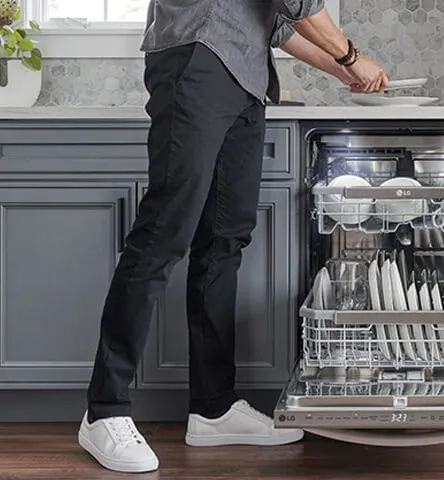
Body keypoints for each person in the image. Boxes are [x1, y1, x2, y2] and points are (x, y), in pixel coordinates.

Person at [76, 0, 389, 473]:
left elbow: (277, 24)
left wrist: (343, 71)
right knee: (163, 235)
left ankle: (213, 408)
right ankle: (104, 409)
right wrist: (351, 57)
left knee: (224, 242)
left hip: (244, 76)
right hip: (197, 63)